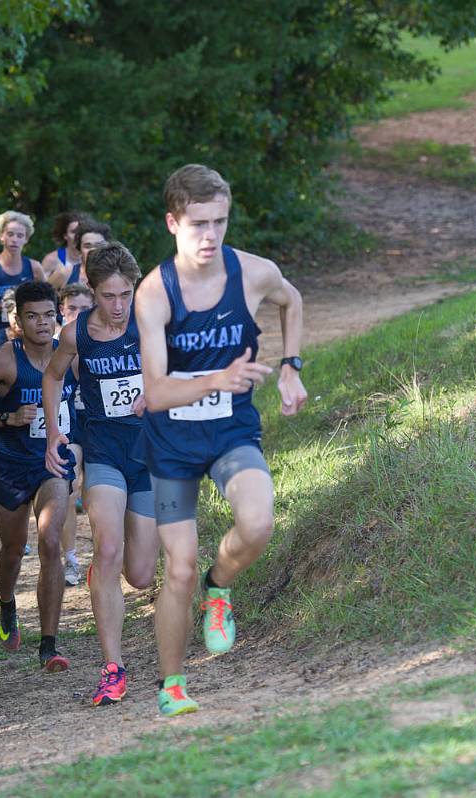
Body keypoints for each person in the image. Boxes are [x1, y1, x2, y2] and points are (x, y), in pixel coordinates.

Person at [135, 164, 307, 717]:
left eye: (220, 222)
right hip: (173, 444)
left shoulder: (253, 273)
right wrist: (216, 379)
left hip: (231, 430)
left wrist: (290, 366)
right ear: (172, 222)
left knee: (257, 524)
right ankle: (173, 686)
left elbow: (292, 300)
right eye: (198, 224)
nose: (211, 236)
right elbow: (156, 393)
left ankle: (222, 585)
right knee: (177, 569)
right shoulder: (154, 293)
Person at [44, 241, 158, 707]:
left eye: (125, 294)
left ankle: (102, 573)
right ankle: (113, 669)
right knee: (108, 548)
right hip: (105, 453)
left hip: (150, 455)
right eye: (109, 296)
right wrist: (55, 431)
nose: (118, 306)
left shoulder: (152, 323)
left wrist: (158, 392)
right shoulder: (77, 335)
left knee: (143, 574)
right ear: (92, 291)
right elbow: (53, 377)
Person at [0, 281, 78, 672]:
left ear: (57, 316)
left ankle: (49, 644)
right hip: (10, 465)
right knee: (13, 550)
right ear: (18, 321)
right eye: (33, 316)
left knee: (50, 542)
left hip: (52, 465)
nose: (42, 323)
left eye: (48, 315)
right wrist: (6, 418)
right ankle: (7, 603)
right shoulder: (5, 361)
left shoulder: (71, 354)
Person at [56, 282, 94, 587]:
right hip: (70, 426)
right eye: (73, 309)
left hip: (100, 424)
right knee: (70, 487)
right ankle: (71, 559)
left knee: (95, 495)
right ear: (62, 310)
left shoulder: (104, 337)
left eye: (85, 309)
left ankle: (108, 553)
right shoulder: (56, 345)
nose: (79, 314)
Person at [41, 211, 90, 289]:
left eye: (80, 232)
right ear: (65, 236)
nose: (77, 236)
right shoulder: (52, 259)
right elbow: (39, 293)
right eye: (73, 232)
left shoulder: (91, 259)